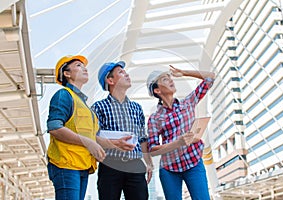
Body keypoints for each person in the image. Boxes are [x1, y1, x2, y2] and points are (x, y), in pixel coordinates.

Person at [146, 65, 215, 200]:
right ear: (157, 90)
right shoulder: (155, 118)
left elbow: (210, 77)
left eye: (170, 78)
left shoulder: (188, 103)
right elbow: (153, 149)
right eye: (165, 80)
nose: (171, 81)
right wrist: (178, 143)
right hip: (169, 169)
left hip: (193, 162)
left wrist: (184, 73)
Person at [46, 55, 106, 200]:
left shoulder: (84, 104)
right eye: (78, 65)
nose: (84, 68)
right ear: (67, 73)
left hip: (82, 164)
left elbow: (90, 136)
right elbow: (55, 127)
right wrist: (88, 143)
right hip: (66, 163)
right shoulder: (64, 95)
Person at [91, 61, 153, 200]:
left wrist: (148, 163)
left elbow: (142, 138)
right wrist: (114, 143)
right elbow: (92, 138)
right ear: (110, 80)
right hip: (110, 165)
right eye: (121, 72)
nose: (126, 74)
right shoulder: (98, 107)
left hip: (135, 165)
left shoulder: (136, 108)